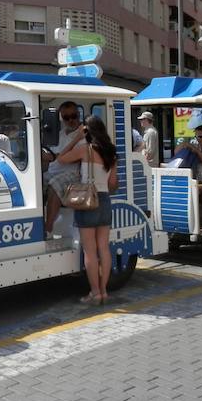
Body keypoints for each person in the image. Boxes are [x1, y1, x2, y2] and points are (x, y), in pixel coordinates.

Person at [56, 116, 119, 306]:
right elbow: (112, 183)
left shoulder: (85, 149)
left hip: (87, 202)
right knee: (104, 249)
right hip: (105, 200)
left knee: (90, 252)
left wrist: (76, 139)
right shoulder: (111, 152)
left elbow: (61, 158)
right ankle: (105, 291)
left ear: (87, 131)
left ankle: (95, 293)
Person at [42, 101, 83, 234]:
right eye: (66, 117)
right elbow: (50, 154)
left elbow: (76, 156)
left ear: (78, 114)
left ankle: (47, 229)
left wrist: (53, 157)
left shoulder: (84, 133)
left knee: (55, 184)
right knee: (33, 182)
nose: (71, 120)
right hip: (53, 171)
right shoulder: (58, 134)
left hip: (75, 173)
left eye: (74, 116)